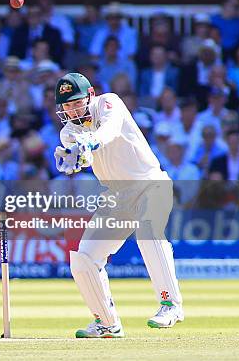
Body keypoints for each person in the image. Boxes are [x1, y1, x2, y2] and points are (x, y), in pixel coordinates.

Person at [53, 72, 183, 338]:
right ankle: (106, 322)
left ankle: (171, 305)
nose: (73, 109)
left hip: (150, 183)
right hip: (116, 196)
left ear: (89, 95)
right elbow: (83, 158)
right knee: (83, 259)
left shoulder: (108, 102)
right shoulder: (68, 132)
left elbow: (108, 132)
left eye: (77, 102)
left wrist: (88, 142)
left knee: (148, 233)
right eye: (67, 105)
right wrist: (75, 159)